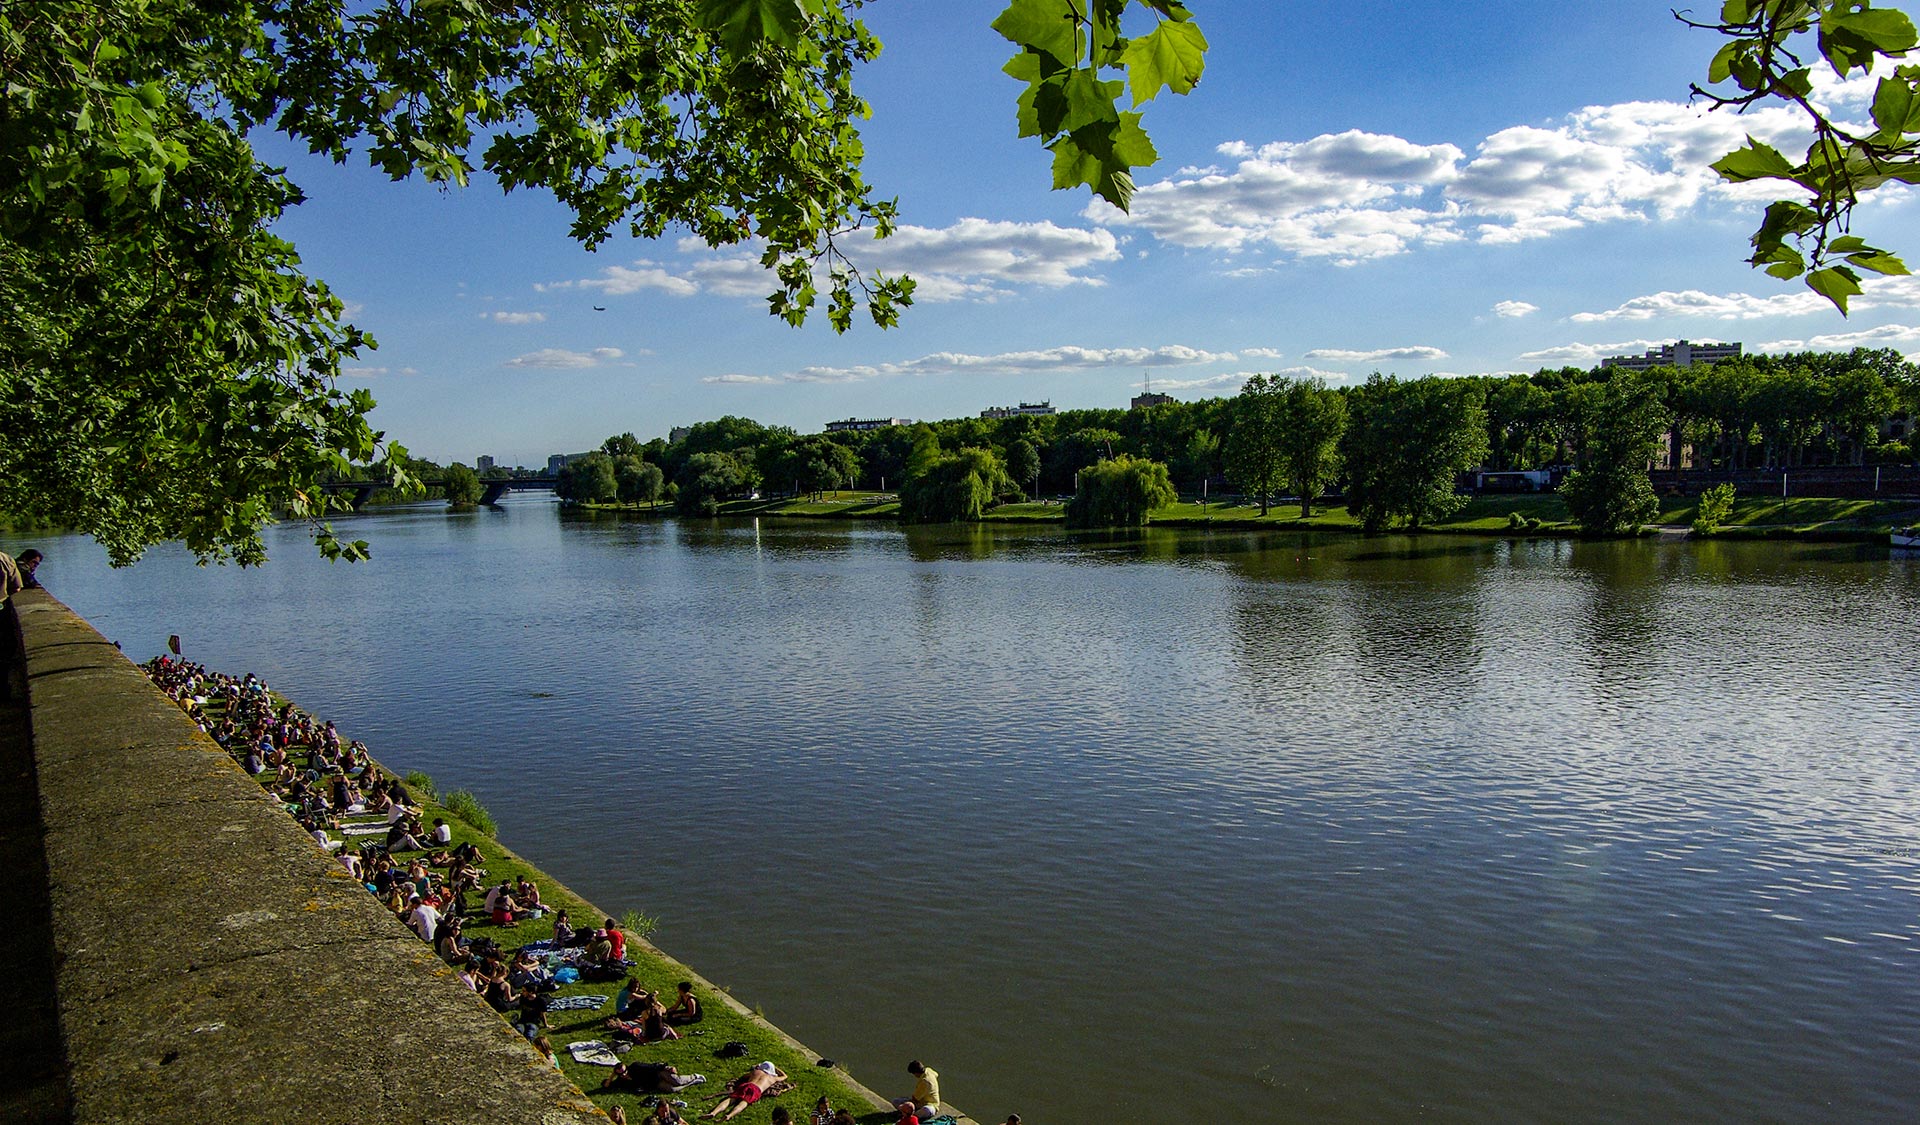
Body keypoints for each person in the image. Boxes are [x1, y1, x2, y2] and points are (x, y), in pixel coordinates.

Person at [705, 1061, 785, 1120]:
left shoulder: (755, 1072)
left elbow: (744, 1076)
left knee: (730, 1099)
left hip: (747, 1085)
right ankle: (729, 1115)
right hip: (757, 1089)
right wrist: (776, 1069)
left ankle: (713, 1112)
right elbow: (784, 1076)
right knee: (744, 1102)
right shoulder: (772, 1078)